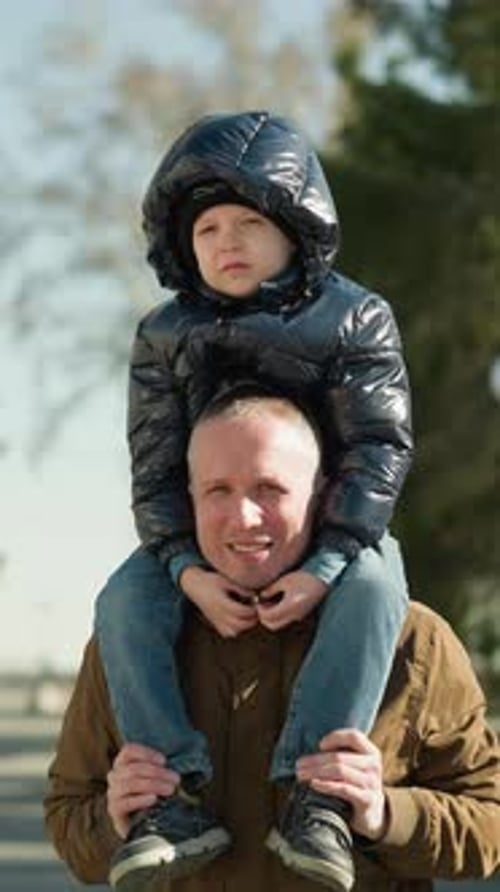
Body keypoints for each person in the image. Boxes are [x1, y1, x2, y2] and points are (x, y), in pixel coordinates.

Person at [94, 109, 414, 890]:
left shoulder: (355, 317)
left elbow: (379, 446)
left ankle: (318, 794)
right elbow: (157, 465)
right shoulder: (165, 335)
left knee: (377, 586)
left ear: (295, 227)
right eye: (206, 231)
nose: (226, 243)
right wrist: (180, 567)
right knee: (121, 602)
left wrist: (332, 559)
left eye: (247, 222)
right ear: (183, 246)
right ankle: (171, 796)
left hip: (331, 534)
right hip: (201, 544)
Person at [45, 393, 500, 892]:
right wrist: (116, 818)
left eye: (269, 489)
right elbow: (70, 829)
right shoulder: (132, 639)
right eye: (218, 490)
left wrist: (385, 813)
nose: (244, 517)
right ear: (188, 499)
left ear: (322, 494)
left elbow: (489, 827)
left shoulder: (414, 641)